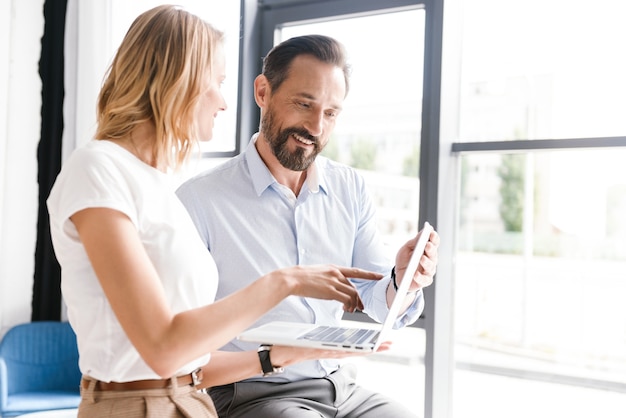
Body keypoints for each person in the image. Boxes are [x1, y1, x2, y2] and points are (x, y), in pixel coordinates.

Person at [46, 8, 386, 418]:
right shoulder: (97, 169)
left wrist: (283, 354)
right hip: (136, 407)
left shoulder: (157, 186)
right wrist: (285, 282)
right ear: (178, 80)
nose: (224, 102)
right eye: (218, 82)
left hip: (191, 401)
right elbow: (162, 349)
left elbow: (193, 362)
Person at [176, 34, 440, 417]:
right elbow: (184, 340)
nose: (316, 127)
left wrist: (402, 280)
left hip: (339, 386)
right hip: (251, 391)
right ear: (263, 92)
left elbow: (375, 297)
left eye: (331, 113)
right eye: (304, 104)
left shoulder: (349, 187)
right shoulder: (199, 200)